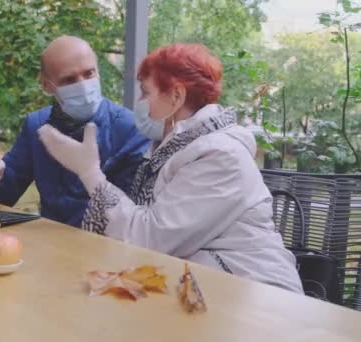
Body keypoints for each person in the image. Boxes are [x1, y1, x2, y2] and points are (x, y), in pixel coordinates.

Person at [38, 43, 303, 293]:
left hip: (258, 299)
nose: (140, 102)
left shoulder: (221, 157)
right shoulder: (177, 148)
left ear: (176, 95)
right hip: (209, 287)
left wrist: (90, 173)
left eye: (146, 92)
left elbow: (148, 239)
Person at [0, 36, 150, 227]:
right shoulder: (36, 125)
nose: (82, 85)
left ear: (98, 72)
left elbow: (130, 216)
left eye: (89, 74)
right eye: (69, 80)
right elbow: (4, 193)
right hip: (51, 244)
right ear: (47, 86)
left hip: (107, 246)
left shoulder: (131, 129)